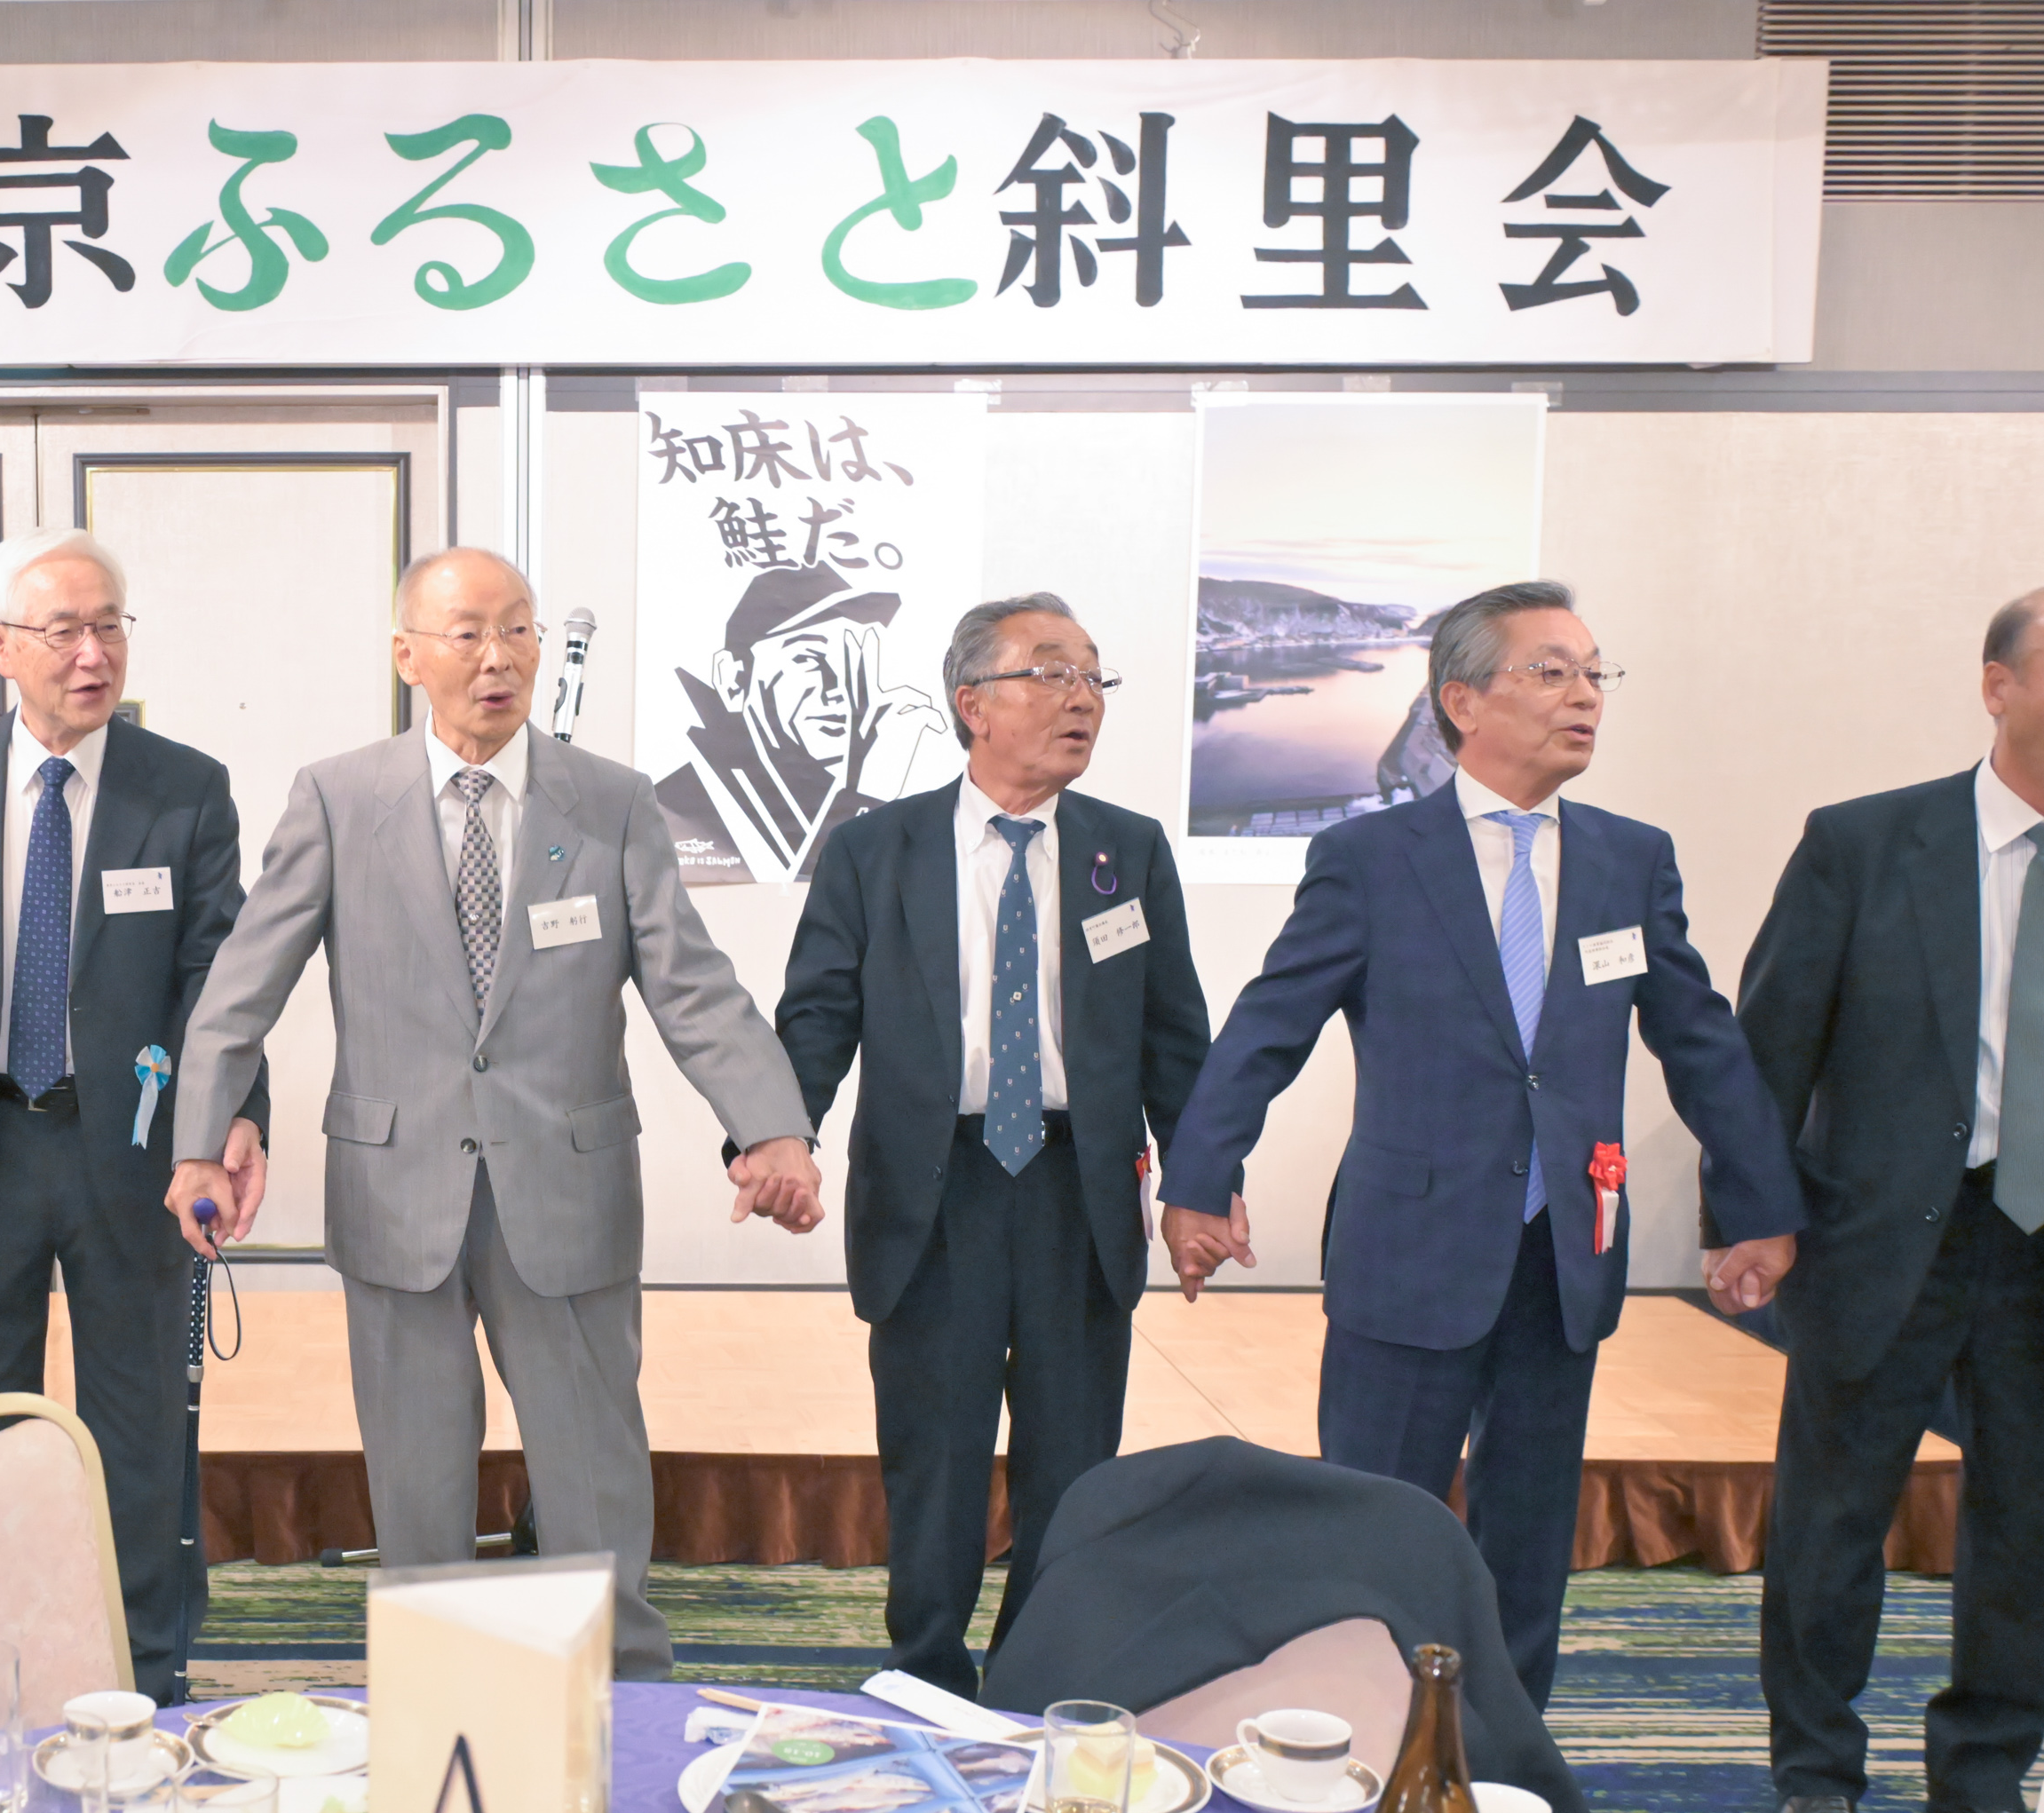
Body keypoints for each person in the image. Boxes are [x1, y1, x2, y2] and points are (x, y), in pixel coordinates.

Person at [167, 546, 823, 1679]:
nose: (496, 657)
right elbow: (241, 984)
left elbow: (692, 984)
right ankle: (440, 1699)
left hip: (566, 1189)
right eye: (466, 632)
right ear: (407, 654)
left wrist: (771, 1124)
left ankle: (622, 1691)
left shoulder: (610, 800)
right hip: (394, 1189)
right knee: (416, 1485)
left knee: (593, 1474)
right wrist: (198, 1145)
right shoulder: (338, 797)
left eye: (517, 629)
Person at [1160, 581, 1802, 1712]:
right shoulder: (1371, 858)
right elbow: (1269, 1026)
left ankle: (1507, 1751)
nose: (1585, 694)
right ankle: (1357, 1734)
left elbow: (1698, 1040)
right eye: (1550, 671)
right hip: (1408, 1247)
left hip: (1564, 1250)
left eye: (1595, 672)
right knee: (1372, 1526)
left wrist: (1755, 1205)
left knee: (1528, 1535)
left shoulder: (1628, 859)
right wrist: (1201, 1179)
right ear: (1460, 702)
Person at [0, 527, 267, 1706]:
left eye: (110, 625)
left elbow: (219, 974)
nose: (94, 654)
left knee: (137, 1418)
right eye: (65, 631)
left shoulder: (183, 787)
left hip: (127, 1147)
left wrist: (230, 1119)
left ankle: (140, 1654)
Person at [772, 594, 1211, 1697]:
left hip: (1077, 1187)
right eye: (1051, 672)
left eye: (1093, 676)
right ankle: (926, 1668)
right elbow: (817, 1013)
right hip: (934, 1186)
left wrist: (1203, 1179)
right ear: (972, 703)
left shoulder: (1126, 849)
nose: (1081, 698)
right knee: (935, 1453)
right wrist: (779, 1133)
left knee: (1073, 1456)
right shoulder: (874, 849)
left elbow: (1174, 1037)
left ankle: (1035, 1669)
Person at [1732, 586, 2044, 1813]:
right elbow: (1768, 1044)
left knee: (2027, 1523)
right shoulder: (1863, 843)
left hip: (2036, 1241)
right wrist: (1748, 1217)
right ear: (1996, 684)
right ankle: (1815, 1772)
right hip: (1883, 1232)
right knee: (1834, 1515)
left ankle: (1985, 1770)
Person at [652, 563, 942, 882]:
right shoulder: (671, 810)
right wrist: (865, 791)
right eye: (809, 658)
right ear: (733, 678)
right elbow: (819, 893)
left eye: (852, 660)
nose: (840, 689)